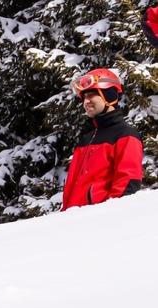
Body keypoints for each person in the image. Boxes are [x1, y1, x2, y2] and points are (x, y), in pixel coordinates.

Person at [62, 68, 142, 211]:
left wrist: (107, 218)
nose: (86, 102)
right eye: (83, 98)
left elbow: (127, 185)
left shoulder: (125, 135)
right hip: (73, 221)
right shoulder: (86, 139)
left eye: (92, 95)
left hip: (99, 221)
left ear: (109, 96)